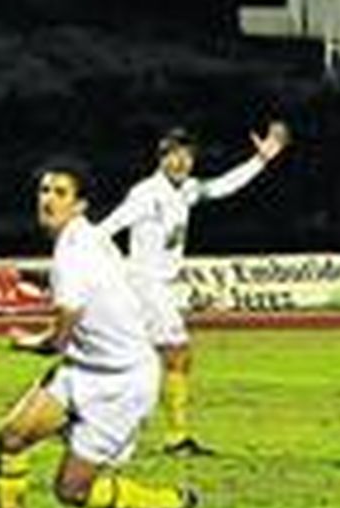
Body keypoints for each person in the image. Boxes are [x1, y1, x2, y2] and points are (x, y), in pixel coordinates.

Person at [0, 159, 199, 508]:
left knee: (71, 491)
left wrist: (27, 343)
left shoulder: (72, 254)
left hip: (122, 384)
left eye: (60, 193)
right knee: (11, 436)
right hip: (82, 369)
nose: (47, 200)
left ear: (79, 205)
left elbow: (59, 339)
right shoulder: (83, 239)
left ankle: (172, 504)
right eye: (44, 190)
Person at [95, 122, 290, 456]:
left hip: (158, 287)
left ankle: (81, 419)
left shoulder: (185, 190)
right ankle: (176, 437)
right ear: (160, 159)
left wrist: (259, 161)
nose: (180, 162)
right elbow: (105, 230)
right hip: (146, 286)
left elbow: (222, 187)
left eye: (186, 156)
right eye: (173, 155)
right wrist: (117, 269)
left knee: (128, 360)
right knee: (178, 354)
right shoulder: (147, 194)